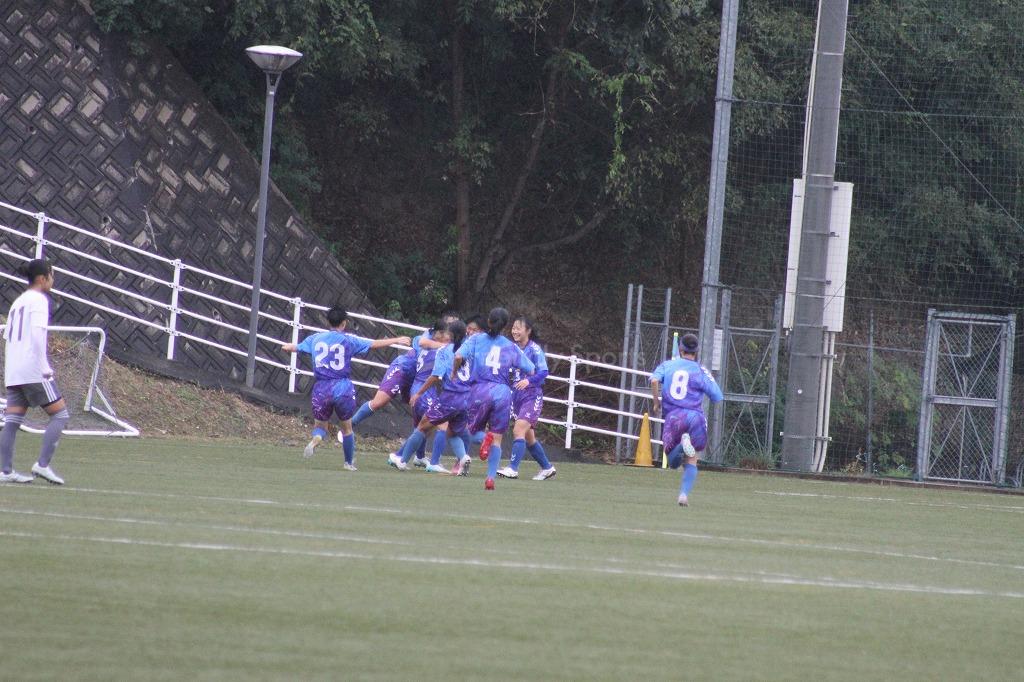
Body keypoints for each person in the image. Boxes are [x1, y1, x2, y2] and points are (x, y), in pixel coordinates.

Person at [281, 306, 410, 469]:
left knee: (320, 426)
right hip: (342, 387)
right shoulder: (349, 340)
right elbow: (373, 344)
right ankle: (348, 463)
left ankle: (316, 439)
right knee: (347, 429)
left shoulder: (315, 339)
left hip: (321, 388)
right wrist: (396, 340)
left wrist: (287, 346)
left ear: (328, 321)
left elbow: (294, 347)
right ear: (344, 323)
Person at [0, 259, 68, 485]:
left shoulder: (18, 301)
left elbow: (8, 337)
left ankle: (6, 471)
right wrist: (44, 366)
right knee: (60, 415)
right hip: (32, 369)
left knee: (12, 421)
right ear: (42, 278)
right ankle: (42, 465)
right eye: (52, 275)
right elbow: (38, 336)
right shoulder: (39, 300)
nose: (53, 280)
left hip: (14, 370)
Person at [454, 307, 535, 490]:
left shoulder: (476, 339)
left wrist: (454, 371)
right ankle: (490, 478)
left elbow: (458, 356)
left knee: (466, 430)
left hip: (480, 389)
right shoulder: (510, 346)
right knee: (497, 439)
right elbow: (531, 369)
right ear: (505, 326)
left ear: (488, 322)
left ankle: (484, 439)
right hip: (503, 393)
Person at [388, 320, 474, 475]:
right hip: (466, 399)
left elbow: (435, 376)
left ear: (450, 335)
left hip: (450, 397)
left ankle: (402, 460)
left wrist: (419, 393)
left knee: (422, 426)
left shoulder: (444, 351)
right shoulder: (469, 351)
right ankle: (463, 457)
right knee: (452, 431)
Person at [349, 312, 458, 429]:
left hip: (419, 379)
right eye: (450, 324)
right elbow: (422, 342)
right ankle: (349, 426)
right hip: (403, 368)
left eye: (455, 325)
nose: (452, 328)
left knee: (422, 415)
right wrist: (445, 347)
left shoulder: (454, 343)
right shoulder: (430, 334)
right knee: (378, 402)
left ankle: (416, 442)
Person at [650, 333, 723, 506]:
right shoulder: (700, 370)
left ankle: (682, 445)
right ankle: (683, 495)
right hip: (695, 417)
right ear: (696, 352)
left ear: (680, 349)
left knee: (673, 462)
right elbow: (717, 396)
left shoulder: (667, 365)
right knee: (692, 458)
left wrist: (656, 403)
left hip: (674, 416)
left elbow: (654, 381)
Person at [496, 316, 555, 480]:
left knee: (518, 430)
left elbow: (544, 372)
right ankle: (547, 468)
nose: (514, 331)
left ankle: (513, 469)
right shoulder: (511, 348)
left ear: (528, 331)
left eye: (518, 328)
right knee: (529, 438)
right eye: (513, 328)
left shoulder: (535, 349)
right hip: (516, 396)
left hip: (532, 395)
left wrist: (528, 381)